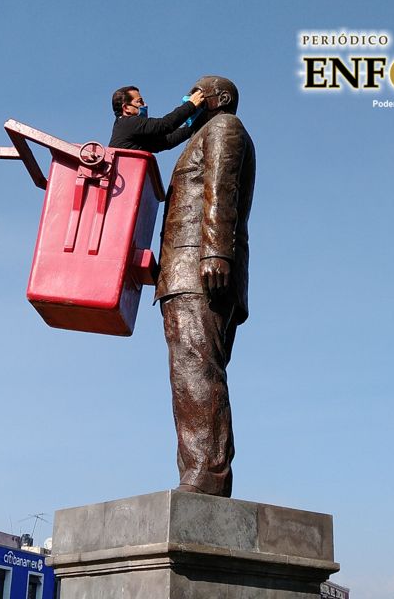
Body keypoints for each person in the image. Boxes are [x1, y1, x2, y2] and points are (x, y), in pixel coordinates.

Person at [155, 76, 256, 498]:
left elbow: (220, 189)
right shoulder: (199, 135)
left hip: (199, 267)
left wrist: (216, 252)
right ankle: (197, 472)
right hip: (184, 271)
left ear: (221, 98)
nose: (192, 99)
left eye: (199, 92)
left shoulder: (223, 128)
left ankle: (206, 475)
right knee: (189, 373)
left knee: (196, 370)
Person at [108, 86, 205, 152]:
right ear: (126, 108)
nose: (144, 105)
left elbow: (167, 141)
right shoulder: (128, 123)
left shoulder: (130, 131)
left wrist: (194, 125)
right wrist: (191, 105)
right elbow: (164, 125)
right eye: (139, 102)